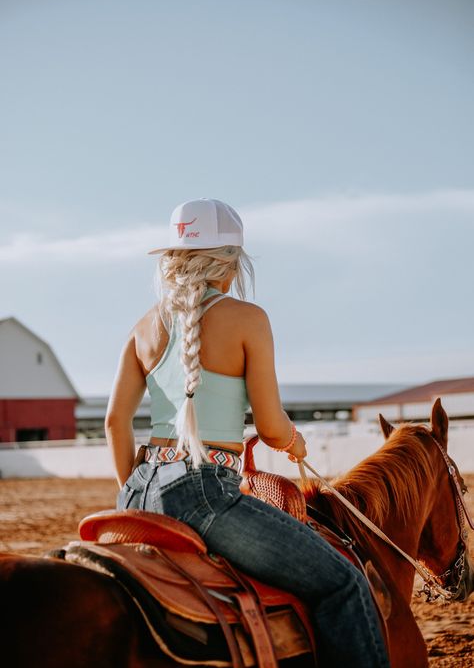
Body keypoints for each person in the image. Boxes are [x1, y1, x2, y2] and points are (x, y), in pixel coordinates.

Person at [105, 198, 389, 668]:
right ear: (231, 261)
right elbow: (271, 426)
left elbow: (116, 423)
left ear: (173, 258)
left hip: (136, 496)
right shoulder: (248, 320)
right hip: (202, 494)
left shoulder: (143, 328)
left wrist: (135, 495)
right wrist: (294, 442)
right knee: (342, 581)